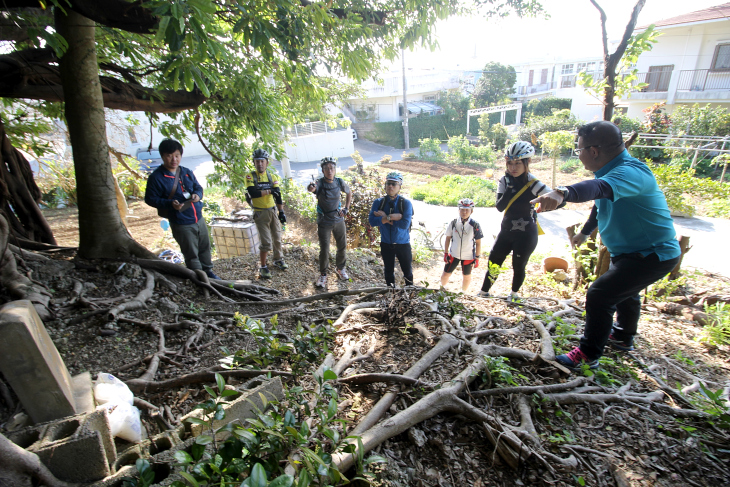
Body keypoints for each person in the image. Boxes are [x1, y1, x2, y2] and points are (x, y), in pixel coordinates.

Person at [531, 120, 681, 369]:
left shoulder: (630, 172)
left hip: (652, 254)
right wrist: (586, 233)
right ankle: (622, 337)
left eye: (579, 150)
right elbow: (601, 202)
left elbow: (598, 188)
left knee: (600, 294)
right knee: (625, 292)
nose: (579, 156)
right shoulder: (612, 172)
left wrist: (562, 192)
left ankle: (588, 355)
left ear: (594, 151)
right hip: (631, 253)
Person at [478, 141, 556, 302]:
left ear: (527, 162)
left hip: (526, 234)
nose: (513, 167)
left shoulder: (533, 183)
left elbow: (559, 200)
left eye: (518, 163)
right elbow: (500, 207)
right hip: (506, 231)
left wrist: (544, 204)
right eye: (510, 163)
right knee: (494, 262)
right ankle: (484, 292)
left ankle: (514, 295)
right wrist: (509, 188)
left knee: (519, 266)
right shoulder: (504, 180)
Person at [144, 139, 220, 280]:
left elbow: (198, 187)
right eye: (169, 155)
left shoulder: (186, 172)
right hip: (181, 221)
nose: (174, 159)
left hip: (198, 217)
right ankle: (199, 277)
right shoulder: (156, 178)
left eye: (177, 155)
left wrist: (198, 195)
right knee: (191, 252)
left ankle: (208, 272)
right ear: (162, 156)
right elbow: (150, 199)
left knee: (204, 247)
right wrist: (170, 204)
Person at [307, 157, 352, 288]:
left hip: (338, 219)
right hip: (324, 220)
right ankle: (323, 274)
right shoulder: (319, 183)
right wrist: (311, 187)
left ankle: (340, 268)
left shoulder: (339, 182)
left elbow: (349, 192)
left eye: (331, 168)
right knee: (324, 249)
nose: (329, 170)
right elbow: (312, 188)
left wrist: (346, 208)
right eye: (326, 168)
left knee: (342, 245)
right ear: (322, 170)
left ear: (335, 169)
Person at [245, 148, 288, 279]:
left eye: (262, 161)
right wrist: (269, 191)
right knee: (266, 242)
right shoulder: (250, 176)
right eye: (257, 161)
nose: (260, 164)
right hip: (260, 213)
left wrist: (281, 212)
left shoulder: (272, 177)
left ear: (267, 163)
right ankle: (263, 266)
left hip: (272, 210)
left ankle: (278, 259)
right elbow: (253, 193)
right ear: (254, 163)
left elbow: (278, 195)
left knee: (277, 237)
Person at [368, 171, 414, 287]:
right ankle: (391, 294)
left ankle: (410, 294)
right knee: (388, 271)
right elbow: (372, 221)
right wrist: (391, 217)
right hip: (386, 243)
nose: (390, 186)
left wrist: (384, 218)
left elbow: (404, 224)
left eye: (394, 184)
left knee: (407, 271)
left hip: (402, 243)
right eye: (388, 183)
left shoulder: (406, 203)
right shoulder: (379, 202)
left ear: (399, 186)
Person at [441, 198, 483, 292]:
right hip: (454, 253)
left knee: (466, 276)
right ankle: (442, 288)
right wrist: (445, 253)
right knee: (446, 273)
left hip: (468, 255)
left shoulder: (475, 225)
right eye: (462, 209)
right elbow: (447, 238)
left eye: (467, 210)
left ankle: (463, 292)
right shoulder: (454, 222)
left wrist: (477, 258)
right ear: (459, 210)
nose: (464, 212)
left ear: (471, 211)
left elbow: (478, 243)